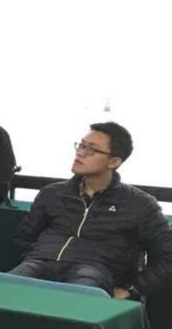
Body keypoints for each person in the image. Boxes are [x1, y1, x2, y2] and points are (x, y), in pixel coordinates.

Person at [10, 123, 172, 299]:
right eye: (81, 145)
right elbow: (24, 237)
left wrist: (132, 290)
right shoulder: (53, 193)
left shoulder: (139, 204)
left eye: (91, 149)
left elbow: (167, 256)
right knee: (2, 287)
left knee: (80, 295)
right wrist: (39, 254)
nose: (80, 153)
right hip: (39, 263)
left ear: (114, 161)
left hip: (94, 271)